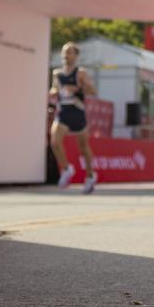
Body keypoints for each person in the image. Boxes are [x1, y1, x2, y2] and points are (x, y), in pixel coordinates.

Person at [49, 42, 98, 194]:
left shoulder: (80, 73)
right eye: (64, 52)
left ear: (76, 56)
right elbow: (55, 88)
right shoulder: (57, 73)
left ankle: (90, 175)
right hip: (63, 111)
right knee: (55, 141)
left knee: (83, 147)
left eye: (69, 52)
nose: (65, 55)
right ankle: (66, 169)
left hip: (77, 112)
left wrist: (77, 88)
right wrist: (53, 92)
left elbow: (93, 91)